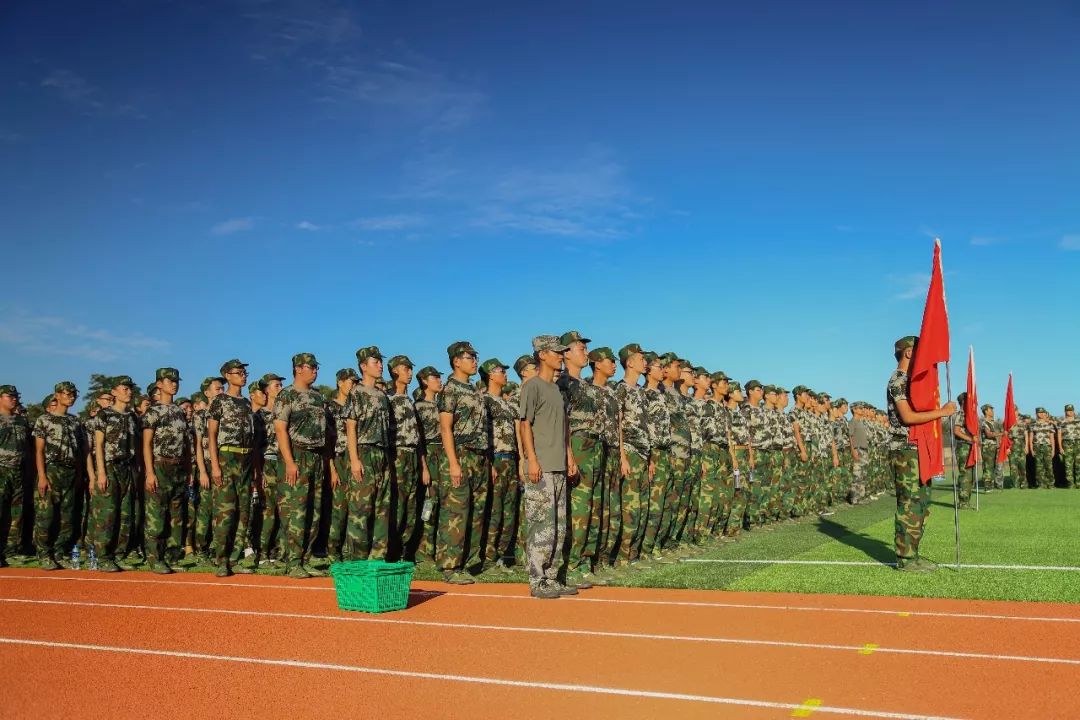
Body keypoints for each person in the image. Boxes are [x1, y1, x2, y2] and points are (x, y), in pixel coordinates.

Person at [886, 335, 957, 572]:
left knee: (922, 504)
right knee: (909, 503)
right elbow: (907, 417)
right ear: (908, 353)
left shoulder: (915, 382)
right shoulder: (898, 381)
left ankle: (913, 553)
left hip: (918, 449)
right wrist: (942, 412)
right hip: (905, 451)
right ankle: (905, 559)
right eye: (920, 351)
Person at [519, 335, 577, 599]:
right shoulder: (533, 386)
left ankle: (553, 577)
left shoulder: (556, 389)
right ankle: (538, 580)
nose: (561, 355)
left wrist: (569, 456)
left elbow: (564, 427)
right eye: (556, 351)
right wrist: (531, 458)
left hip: (559, 465)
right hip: (541, 466)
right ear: (542, 354)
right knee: (541, 524)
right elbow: (524, 424)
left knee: (558, 525)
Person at [273, 353, 333, 578]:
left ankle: (305, 558)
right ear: (299, 369)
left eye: (317, 366)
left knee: (314, 511)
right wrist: (289, 461)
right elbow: (280, 429)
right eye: (312, 367)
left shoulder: (318, 397)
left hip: (316, 457)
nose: (316, 370)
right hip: (297, 455)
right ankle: (293, 561)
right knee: (295, 511)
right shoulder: (287, 395)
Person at [556, 330, 607, 587]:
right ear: (566, 353)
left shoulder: (586, 385)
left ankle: (585, 562)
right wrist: (568, 455)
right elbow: (562, 422)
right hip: (576, 443)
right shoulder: (562, 383)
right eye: (580, 348)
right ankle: (570, 565)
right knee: (578, 510)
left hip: (594, 445)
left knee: (592, 509)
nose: (586, 352)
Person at [207, 359, 255, 576]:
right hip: (227, 457)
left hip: (245, 460)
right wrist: (215, 466)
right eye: (238, 372)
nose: (243, 375)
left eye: (244, 372)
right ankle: (222, 560)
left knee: (244, 512)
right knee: (225, 512)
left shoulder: (246, 403)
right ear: (227, 375)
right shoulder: (219, 401)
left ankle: (234, 559)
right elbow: (212, 434)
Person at [33, 382, 87, 570]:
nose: (71, 397)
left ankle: (59, 552)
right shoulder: (44, 420)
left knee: (67, 516)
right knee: (46, 515)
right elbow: (39, 450)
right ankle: (44, 553)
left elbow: (81, 451)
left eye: (73, 394)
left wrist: (80, 473)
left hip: (70, 472)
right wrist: (42, 476)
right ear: (57, 395)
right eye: (67, 394)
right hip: (52, 470)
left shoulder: (75, 421)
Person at [345, 346, 392, 560]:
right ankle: (358, 561)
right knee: (361, 510)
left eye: (381, 361)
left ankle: (378, 559)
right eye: (376, 362)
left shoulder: (382, 396)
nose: (381, 365)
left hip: (382, 454)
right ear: (364, 366)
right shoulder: (356, 393)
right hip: (364, 451)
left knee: (383, 509)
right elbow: (351, 427)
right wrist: (354, 460)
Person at [141, 368, 190, 573]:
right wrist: (150, 472)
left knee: (177, 514)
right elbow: (146, 444)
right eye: (170, 381)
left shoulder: (179, 411)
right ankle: (154, 558)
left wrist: (187, 470)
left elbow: (185, 443)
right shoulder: (153, 411)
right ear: (159, 384)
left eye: (176, 381)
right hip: (160, 464)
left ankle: (172, 555)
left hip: (178, 466)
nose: (174, 384)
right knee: (157, 513)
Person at [387, 355, 428, 560]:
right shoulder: (387, 398)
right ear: (395, 371)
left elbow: (417, 437)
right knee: (398, 504)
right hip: (397, 455)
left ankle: (405, 551)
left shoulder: (409, 401)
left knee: (412, 506)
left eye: (411, 369)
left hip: (412, 456)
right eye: (406, 369)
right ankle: (392, 550)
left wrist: (423, 465)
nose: (410, 372)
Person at [480, 358, 517, 572]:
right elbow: (482, 435)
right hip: (495, 458)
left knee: (509, 511)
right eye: (500, 370)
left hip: (510, 459)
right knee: (494, 510)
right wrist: (488, 462)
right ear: (490, 375)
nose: (504, 373)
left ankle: (502, 555)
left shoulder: (506, 403)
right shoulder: (484, 401)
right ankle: (488, 556)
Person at [326, 368, 358, 563]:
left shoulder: (356, 404)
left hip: (355, 458)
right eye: (350, 382)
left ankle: (351, 551)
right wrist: (332, 468)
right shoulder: (330, 407)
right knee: (339, 508)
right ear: (340, 382)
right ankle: (333, 550)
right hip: (338, 458)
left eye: (356, 382)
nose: (353, 385)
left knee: (356, 507)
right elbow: (328, 441)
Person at [0, 385, 30, 567]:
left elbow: (28, 447)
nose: (14, 399)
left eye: (15, 396)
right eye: (9, 396)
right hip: (1, 470)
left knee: (14, 515)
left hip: (18, 472)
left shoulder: (22, 421)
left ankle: (5, 552)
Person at [952, 392, 976, 507]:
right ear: (963, 402)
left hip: (970, 446)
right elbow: (956, 431)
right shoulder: (961, 414)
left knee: (970, 475)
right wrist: (970, 439)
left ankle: (966, 500)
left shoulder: (969, 415)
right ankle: (963, 501)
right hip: (963, 446)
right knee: (965, 474)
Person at [1029, 407, 1057, 489]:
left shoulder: (1049, 424)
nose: (1040, 414)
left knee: (1049, 466)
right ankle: (1041, 484)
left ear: (1044, 413)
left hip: (1047, 447)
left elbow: (1052, 438)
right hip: (1037, 447)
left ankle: (1051, 484)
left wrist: (1053, 450)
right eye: (1039, 413)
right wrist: (1031, 449)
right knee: (1039, 467)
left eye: (1042, 412)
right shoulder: (1033, 425)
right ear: (1036, 414)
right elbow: (1031, 438)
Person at [979, 405, 1003, 492]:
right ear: (986, 411)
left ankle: (992, 485)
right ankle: (987, 486)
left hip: (994, 446)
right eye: (991, 410)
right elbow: (988, 434)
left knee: (993, 467)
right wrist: (1001, 434)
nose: (992, 411)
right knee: (988, 466)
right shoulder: (984, 423)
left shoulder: (994, 423)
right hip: (987, 447)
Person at [1059, 404, 1079, 489]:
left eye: (1071, 411)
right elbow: (1059, 435)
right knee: (1068, 465)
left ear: (1073, 411)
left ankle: (1078, 483)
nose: (1069, 412)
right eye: (1068, 411)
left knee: (1078, 464)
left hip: (1078, 443)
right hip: (1067, 443)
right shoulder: (1062, 421)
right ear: (1065, 412)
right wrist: (1060, 447)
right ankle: (1070, 484)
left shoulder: (1078, 421)